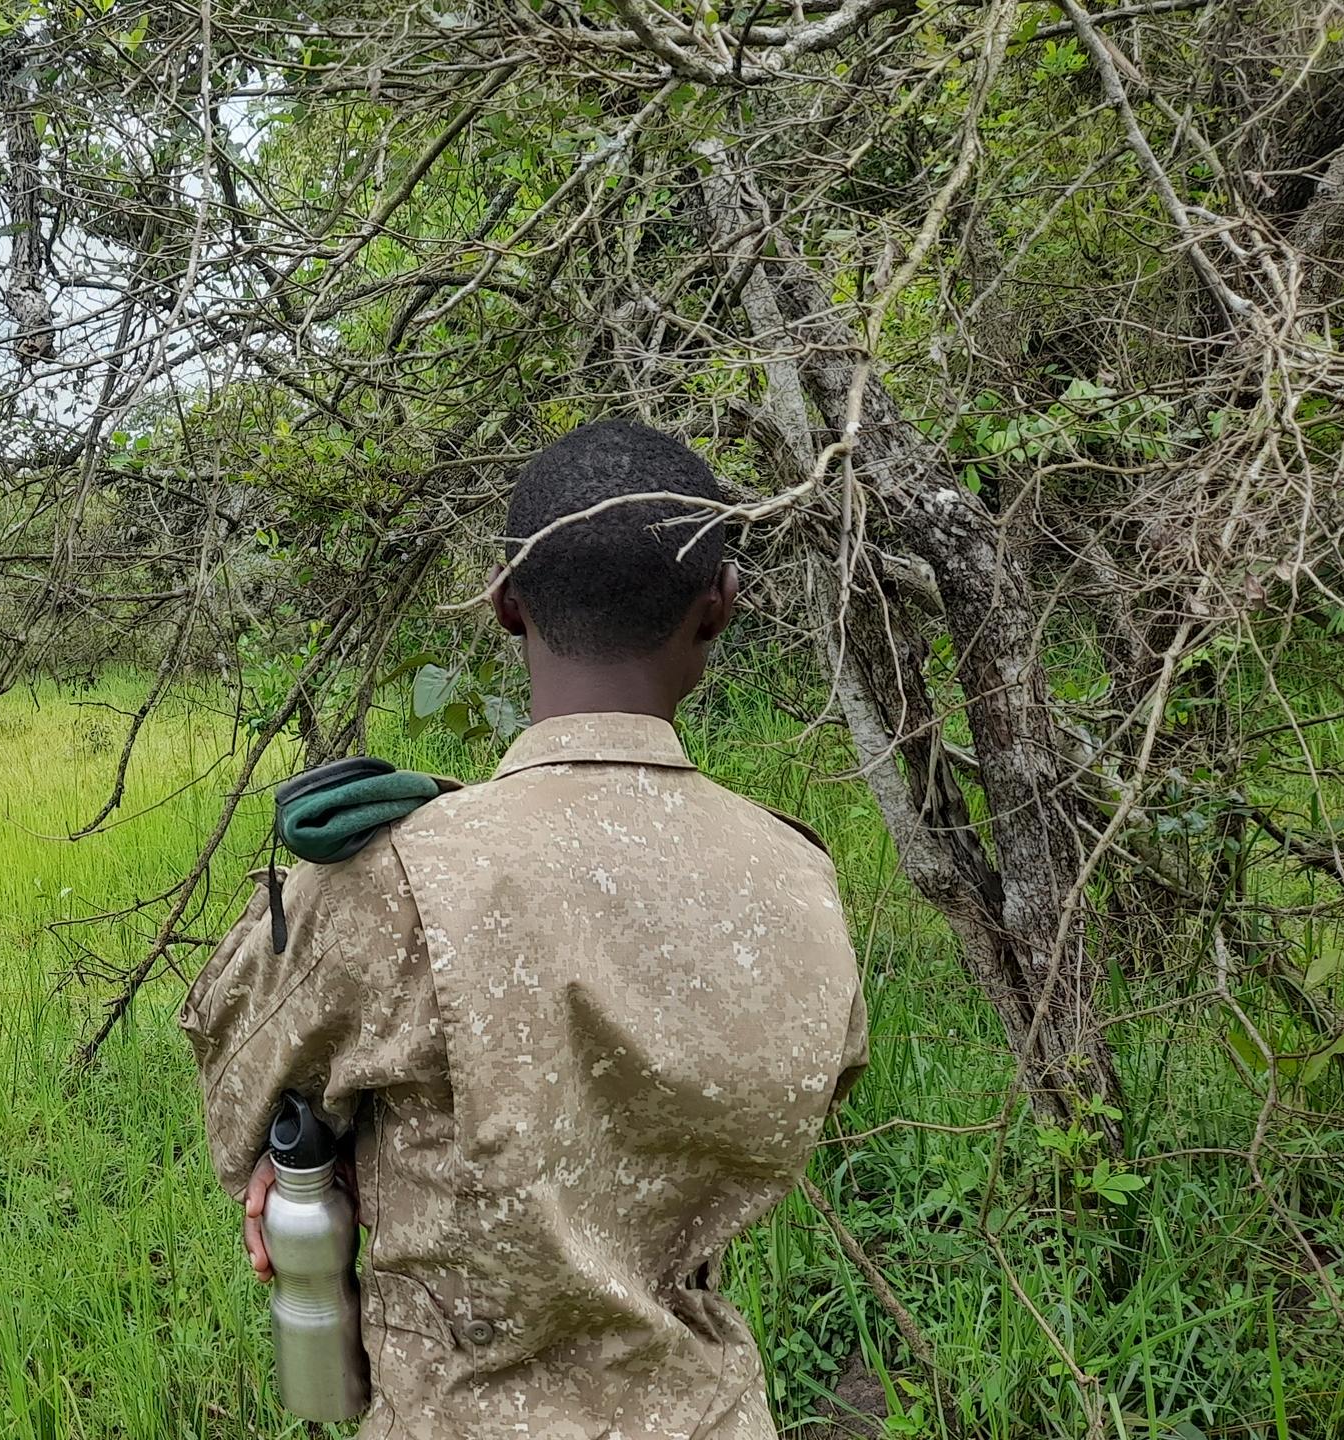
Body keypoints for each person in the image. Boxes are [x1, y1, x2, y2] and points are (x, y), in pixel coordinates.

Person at [181, 420, 869, 1439]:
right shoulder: (798, 877)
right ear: (720, 603)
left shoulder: (393, 873)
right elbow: (821, 1082)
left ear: (506, 600)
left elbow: (236, 1079)